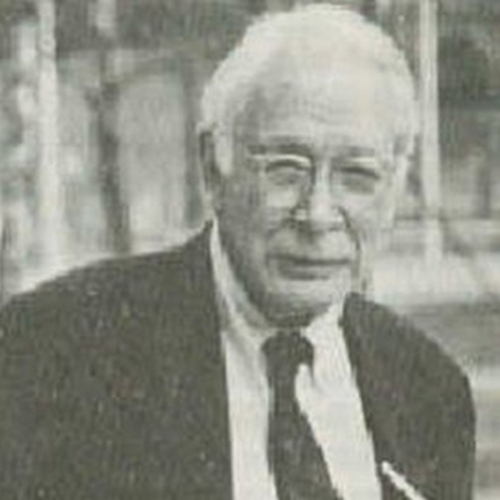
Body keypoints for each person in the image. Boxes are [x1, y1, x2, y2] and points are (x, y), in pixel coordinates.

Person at [0, 5, 474, 500]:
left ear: (394, 190)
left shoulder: (431, 390)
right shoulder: (56, 350)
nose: (317, 215)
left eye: (357, 176)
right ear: (213, 166)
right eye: (286, 169)